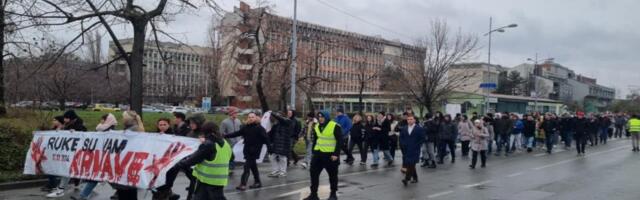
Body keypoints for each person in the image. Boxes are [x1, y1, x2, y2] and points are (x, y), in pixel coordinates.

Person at [157, 122, 231, 200]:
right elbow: (231, 157)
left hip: (208, 180)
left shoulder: (208, 145)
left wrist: (173, 164)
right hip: (216, 180)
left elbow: (192, 160)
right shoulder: (225, 143)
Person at [71, 114, 117, 200]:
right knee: (97, 177)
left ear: (107, 120)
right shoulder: (100, 129)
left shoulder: (112, 132)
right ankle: (83, 195)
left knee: (107, 177)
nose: (101, 121)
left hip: (107, 158)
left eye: (103, 120)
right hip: (99, 157)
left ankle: (119, 191)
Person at [46, 110, 87, 198]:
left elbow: (84, 136)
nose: (64, 120)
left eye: (66, 118)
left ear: (71, 118)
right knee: (67, 170)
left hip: (75, 152)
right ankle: (64, 187)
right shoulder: (68, 125)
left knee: (67, 170)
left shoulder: (80, 125)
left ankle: (61, 189)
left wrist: (75, 132)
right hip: (68, 152)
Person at [225, 112, 270, 191]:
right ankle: (258, 182)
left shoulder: (259, 128)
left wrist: (270, 148)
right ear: (247, 118)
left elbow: (266, 139)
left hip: (255, 151)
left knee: (246, 167)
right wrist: (225, 136)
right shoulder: (246, 127)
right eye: (249, 117)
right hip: (247, 150)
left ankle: (243, 184)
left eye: (252, 117)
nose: (251, 118)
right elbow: (237, 133)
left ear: (256, 118)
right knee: (253, 167)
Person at [303, 111, 342, 200]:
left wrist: (336, 154)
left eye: (322, 117)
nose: (320, 118)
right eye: (319, 117)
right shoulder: (317, 126)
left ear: (327, 117)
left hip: (330, 155)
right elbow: (316, 139)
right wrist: (313, 151)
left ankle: (333, 194)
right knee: (313, 174)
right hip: (318, 154)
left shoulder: (335, 126)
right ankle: (313, 195)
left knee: (332, 176)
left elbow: (340, 141)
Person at [399, 114, 424, 186]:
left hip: (415, 149)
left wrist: (417, 145)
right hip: (406, 149)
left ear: (414, 120)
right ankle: (415, 178)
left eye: (411, 119)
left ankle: (406, 179)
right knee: (410, 164)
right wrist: (403, 144)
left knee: (411, 163)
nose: (409, 121)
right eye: (408, 119)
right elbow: (401, 138)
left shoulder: (419, 128)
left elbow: (422, 138)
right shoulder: (404, 128)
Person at [268, 112, 293, 177]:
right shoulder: (276, 125)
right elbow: (270, 134)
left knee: (282, 158)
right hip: (276, 144)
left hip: (284, 143)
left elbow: (281, 119)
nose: (276, 118)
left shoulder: (287, 122)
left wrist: (273, 114)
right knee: (272, 157)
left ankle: (283, 172)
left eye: (278, 117)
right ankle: (275, 170)